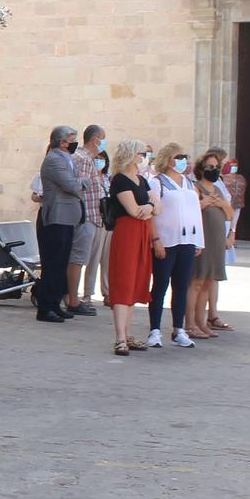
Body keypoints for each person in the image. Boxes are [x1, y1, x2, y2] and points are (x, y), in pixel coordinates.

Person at [146, 144, 204, 348]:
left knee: (181, 286)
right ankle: (154, 330)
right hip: (166, 240)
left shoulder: (188, 183)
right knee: (160, 285)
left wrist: (199, 240)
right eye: (179, 157)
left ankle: (178, 329)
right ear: (169, 159)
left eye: (184, 157)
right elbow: (152, 214)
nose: (183, 160)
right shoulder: (157, 182)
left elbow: (195, 211)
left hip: (187, 240)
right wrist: (156, 240)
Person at [103, 139, 157, 355]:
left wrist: (149, 206)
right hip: (127, 232)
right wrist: (149, 206)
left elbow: (156, 207)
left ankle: (127, 334)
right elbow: (134, 211)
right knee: (124, 281)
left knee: (135, 282)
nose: (144, 157)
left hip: (142, 232)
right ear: (131, 154)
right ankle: (120, 338)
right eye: (141, 153)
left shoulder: (142, 180)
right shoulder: (120, 180)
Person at [36, 126, 85, 323]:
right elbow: (71, 185)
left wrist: (78, 182)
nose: (74, 142)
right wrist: (85, 182)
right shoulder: (55, 159)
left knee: (61, 263)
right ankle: (46, 307)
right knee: (53, 263)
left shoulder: (66, 159)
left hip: (67, 217)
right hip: (56, 216)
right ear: (61, 141)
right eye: (71, 139)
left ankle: (55, 304)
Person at [190, 151, 233, 337]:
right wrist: (205, 203)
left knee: (208, 283)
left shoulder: (218, 189)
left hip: (216, 241)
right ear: (201, 168)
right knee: (196, 282)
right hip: (202, 239)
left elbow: (230, 214)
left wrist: (222, 204)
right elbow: (191, 210)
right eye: (210, 167)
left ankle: (202, 322)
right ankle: (190, 324)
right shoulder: (196, 188)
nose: (214, 170)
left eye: (217, 167)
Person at [68, 125, 108, 314]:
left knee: (79, 258)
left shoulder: (86, 159)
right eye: (103, 138)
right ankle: (73, 300)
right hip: (86, 216)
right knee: (78, 259)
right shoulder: (83, 159)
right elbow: (80, 189)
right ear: (95, 139)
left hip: (91, 216)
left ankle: (72, 297)